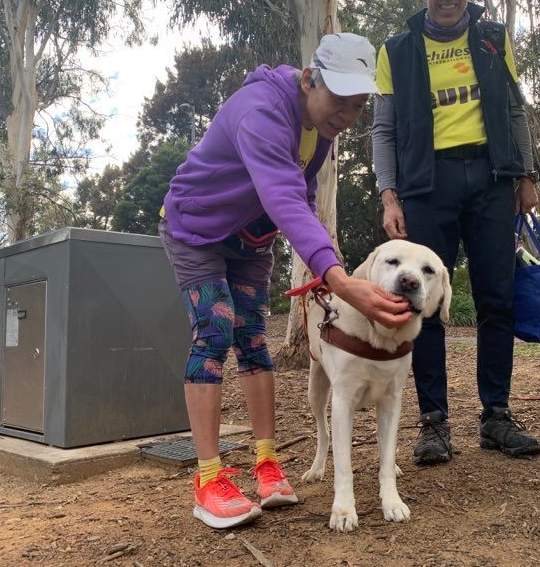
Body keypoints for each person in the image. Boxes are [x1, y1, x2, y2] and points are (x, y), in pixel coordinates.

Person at [160, 33, 412, 529]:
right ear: (308, 79)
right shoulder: (261, 110)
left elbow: (305, 197)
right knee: (214, 328)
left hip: (250, 239)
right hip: (196, 229)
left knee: (253, 338)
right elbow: (283, 197)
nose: (345, 113)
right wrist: (339, 280)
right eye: (339, 98)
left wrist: (327, 266)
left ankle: (267, 461)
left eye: (358, 105)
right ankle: (209, 477)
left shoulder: (320, 129)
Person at [372, 0, 540, 465]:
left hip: (490, 179)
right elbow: (384, 127)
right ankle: (434, 424)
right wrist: (389, 193)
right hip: (427, 184)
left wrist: (525, 173)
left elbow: (515, 108)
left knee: (497, 298)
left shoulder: (493, 39)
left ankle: (496, 416)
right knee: (419, 305)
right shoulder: (397, 49)